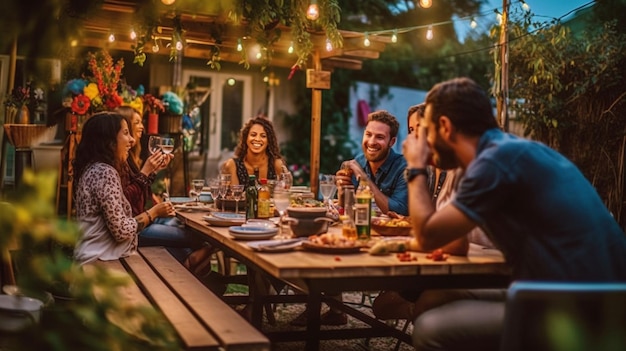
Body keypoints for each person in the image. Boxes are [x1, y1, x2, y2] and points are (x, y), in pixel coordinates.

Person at [402, 77, 626, 351]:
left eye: (426, 132)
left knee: (430, 330)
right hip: (587, 292)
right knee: (438, 295)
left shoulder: (493, 164)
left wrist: (414, 166)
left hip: (580, 308)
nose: (422, 141)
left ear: (446, 127)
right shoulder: (509, 151)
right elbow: (447, 237)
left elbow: (427, 236)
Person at [115, 106, 214, 276]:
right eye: (136, 122)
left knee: (189, 228)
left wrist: (152, 172)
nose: (141, 127)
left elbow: (140, 195)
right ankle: (199, 261)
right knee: (195, 239)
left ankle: (195, 263)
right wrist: (146, 173)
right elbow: (127, 202)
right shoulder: (120, 161)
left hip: (145, 220)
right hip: (136, 227)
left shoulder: (132, 157)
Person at [73, 112, 176, 264]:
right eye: (126, 133)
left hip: (97, 256)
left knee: (174, 256)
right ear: (109, 141)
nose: (132, 140)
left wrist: (151, 172)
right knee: (181, 248)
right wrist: (154, 212)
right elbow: (121, 231)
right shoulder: (104, 173)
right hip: (99, 260)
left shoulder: (95, 168)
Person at [336, 109, 408, 216]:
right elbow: (346, 210)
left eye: (380, 137)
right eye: (368, 134)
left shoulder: (404, 167)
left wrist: (364, 179)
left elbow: (399, 210)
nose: (371, 142)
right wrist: (342, 193)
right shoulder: (358, 162)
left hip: (393, 232)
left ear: (392, 142)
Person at [222, 115, 289, 185]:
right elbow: (233, 194)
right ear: (246, 138)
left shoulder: (277, 165)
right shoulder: (232, 165)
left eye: (263, 136)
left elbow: (285, 192)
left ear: (269, 140)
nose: (257, 139)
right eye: (253, 135)